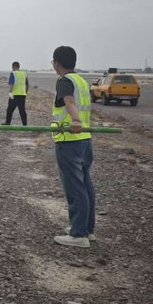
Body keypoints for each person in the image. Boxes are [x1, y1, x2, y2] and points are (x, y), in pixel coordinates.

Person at [50, 46, 95, 248]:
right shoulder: (82, 81)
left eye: (53, 62)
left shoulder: (64, 81)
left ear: (57, 63)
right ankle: (87, 229)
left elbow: (69, 102)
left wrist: (75, 120)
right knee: (85, 185)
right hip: (85, 140)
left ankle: (78, 235)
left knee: (75, 188)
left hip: (69, 140)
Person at [3, 61, 29, 126]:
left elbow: (12, 84)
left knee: (10, 109)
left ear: (13, 67)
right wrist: (25, 92)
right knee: (22, 110)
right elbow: (27, 85)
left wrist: (10, 93)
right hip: (22, 95)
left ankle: (7, 122)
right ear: (18, 67)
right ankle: (25, 125)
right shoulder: (24, 74)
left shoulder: (13, 73)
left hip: (14, 95)